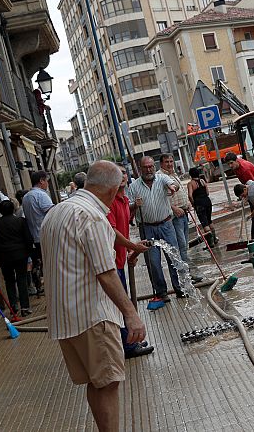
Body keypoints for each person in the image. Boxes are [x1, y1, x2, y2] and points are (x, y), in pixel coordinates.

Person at [41, 160, 147, 431]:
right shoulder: (92, 216)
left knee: (97, 382)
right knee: (109, 383)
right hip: (93, 316)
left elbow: (105, 237)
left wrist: (130, 245)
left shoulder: (58, 211)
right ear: (112, 191)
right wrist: (131, 314)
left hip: (66, 318)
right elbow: (106, 272)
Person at [107, 166, 154, 359]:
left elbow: (123, 230)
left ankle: (131, 341)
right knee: (122, 305)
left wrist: (129, 252)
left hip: (119, 260)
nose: (123, 176)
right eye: (117, 174)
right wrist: (132, 247)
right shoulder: (110, 202)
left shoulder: (125, 200)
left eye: (124, 173)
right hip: (110, 264)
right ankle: (128, 347)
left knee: (124, 301)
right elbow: (112, 232)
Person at [126, 156, 187, 305]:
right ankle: (161, 292)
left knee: (174, 256)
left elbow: (172, 184)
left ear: (154, 167)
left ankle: (179, 288)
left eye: (151, 166)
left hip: (166, 225)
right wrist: (135, 204)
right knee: (153, 262)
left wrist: (173, 188)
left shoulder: (162, 178)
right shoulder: (134, 186)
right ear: (140, 169)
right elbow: (127, 206)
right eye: (145, 167)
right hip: (147, 227)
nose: (149, 169)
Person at [0, 200, 33, 316]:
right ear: (13, 209)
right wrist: (28, 253)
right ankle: (25, 307)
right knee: (22, 279)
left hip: (4, 257)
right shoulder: (20, 221)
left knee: (9, 281)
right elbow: (28, 238)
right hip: (20, 255)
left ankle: (13, 306)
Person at [158, 154, 199, 283]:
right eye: (167, 162)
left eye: (171, 161)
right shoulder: (160, 177)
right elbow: (160, 198)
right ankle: (185, 277)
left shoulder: (174, 174)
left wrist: (187, 204)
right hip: (174, 217)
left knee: (184, 246)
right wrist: (174, 208)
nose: (170, 164)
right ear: (161, 164)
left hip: (184, 214)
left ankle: (187, 274)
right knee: (180, 247)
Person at [224, 152, 254, 243]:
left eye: (231, 163)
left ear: (236, 161)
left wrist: (247, 196)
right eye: (228, 164)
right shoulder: (236, 167)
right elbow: (243, 182)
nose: (230, 166)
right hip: (248, 189)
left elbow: (252, 185)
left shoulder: (245, 169)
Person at [23, 170, 54, 295]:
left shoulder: (26, 197)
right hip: (45, 235)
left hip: (34, 237)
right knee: (51, 264)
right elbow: (52, 212)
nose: (47, 184)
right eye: (46, 181)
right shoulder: (41, 195)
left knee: (42, 263)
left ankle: (41, 284)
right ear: (41, 181)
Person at [187, 167, 217, 247]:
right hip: (207, 201)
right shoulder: (202, 181)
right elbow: (207, 192)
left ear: (190, 175)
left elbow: (190, 195)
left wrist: (193, 203)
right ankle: (214, 239)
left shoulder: (191, 183)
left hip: (199, 204)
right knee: (209, 220)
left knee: (204, 223)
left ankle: (210, 243)